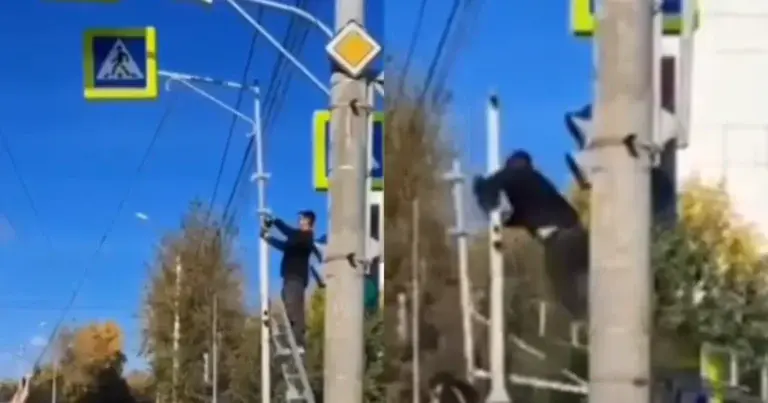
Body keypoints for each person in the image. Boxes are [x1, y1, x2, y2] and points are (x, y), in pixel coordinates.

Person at [472, 149, 589, 317]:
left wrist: (481, 191)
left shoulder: (511, 175)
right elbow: (523, 215)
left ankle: (584, 314)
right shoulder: (538, 183)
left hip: (560, 240)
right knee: (582, 277)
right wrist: (502, 221)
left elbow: (487, 188)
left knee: (562, 285)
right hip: (579, 233)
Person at [260, 210, 323, 350]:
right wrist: (268, 238)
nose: (299, 222)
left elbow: (289, 232)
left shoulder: (306, 236)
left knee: (293, 308)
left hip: (296, 277)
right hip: (289, 277)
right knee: (290, 305)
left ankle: (299, 342)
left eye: (302, 219)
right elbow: (285, 246)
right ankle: (295, 339)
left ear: (308, 221)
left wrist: (275, 220)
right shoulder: (297, 239)